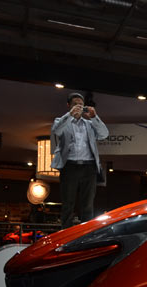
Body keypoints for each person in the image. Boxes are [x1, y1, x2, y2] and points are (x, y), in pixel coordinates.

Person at [51, 92, 109, 229]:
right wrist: (70, 115)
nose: (78, 107)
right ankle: (65, 233)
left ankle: (85, 233)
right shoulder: (62, 121)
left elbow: (104, 134)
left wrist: (95, 117)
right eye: (75, 104)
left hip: (89, 167)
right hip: (69, 166)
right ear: (68, 106)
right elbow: (56, 130)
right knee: (67, 203)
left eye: (81, 105)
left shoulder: (89, 124)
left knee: (88, 204)